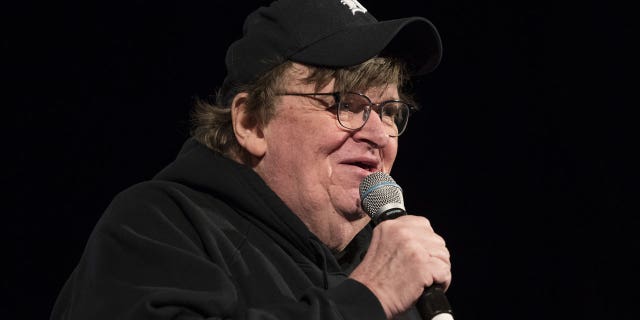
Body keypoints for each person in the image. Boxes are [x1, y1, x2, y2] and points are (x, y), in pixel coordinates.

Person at [50, 0, 451, 319]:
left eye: (389, 112)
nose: (380, 134)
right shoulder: (158, 227)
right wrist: (368, 298)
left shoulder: (387, 267)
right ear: (252, 122)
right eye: (345, 103)